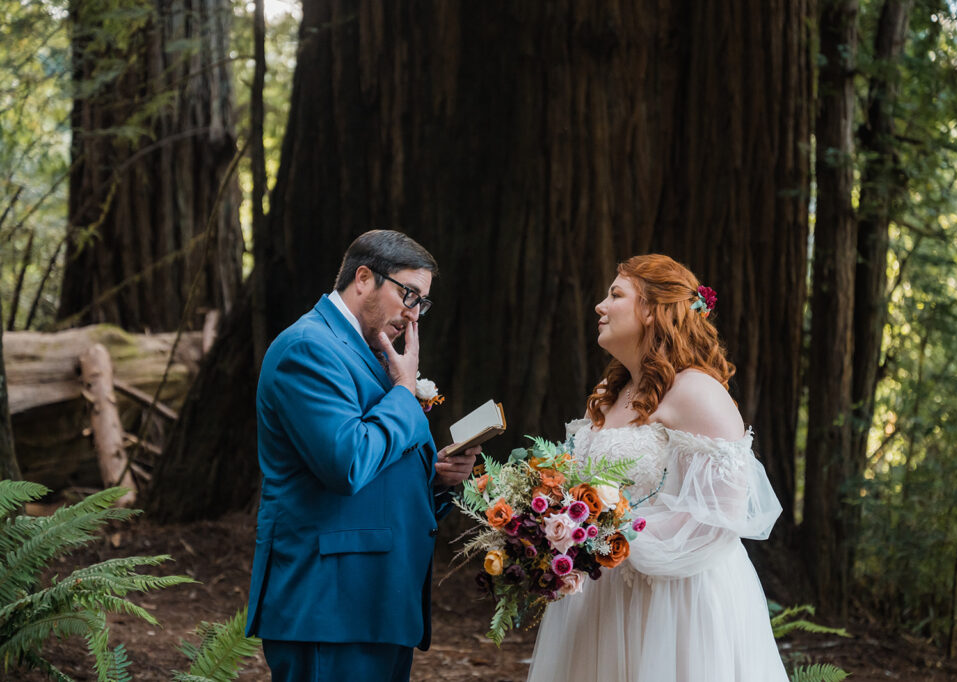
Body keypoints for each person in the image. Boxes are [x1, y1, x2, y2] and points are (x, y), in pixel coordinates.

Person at [527, 254, 788, 682]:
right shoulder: (612, 393)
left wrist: (612, 535)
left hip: (676, 601)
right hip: (602, 595)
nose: (600, 306)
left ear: (651, 310)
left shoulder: (697, 392)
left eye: (615, 294)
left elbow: (723, 512)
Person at [245, 230, 480, 682]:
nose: (414, 315)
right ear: (363, 277)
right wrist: (405, 393)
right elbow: (348, 462)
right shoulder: (308, 347)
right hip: (329, 603)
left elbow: (378, 465)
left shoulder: (370, 351)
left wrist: (437, 480)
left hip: (379, 602)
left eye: (422, 303)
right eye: (408, 294)